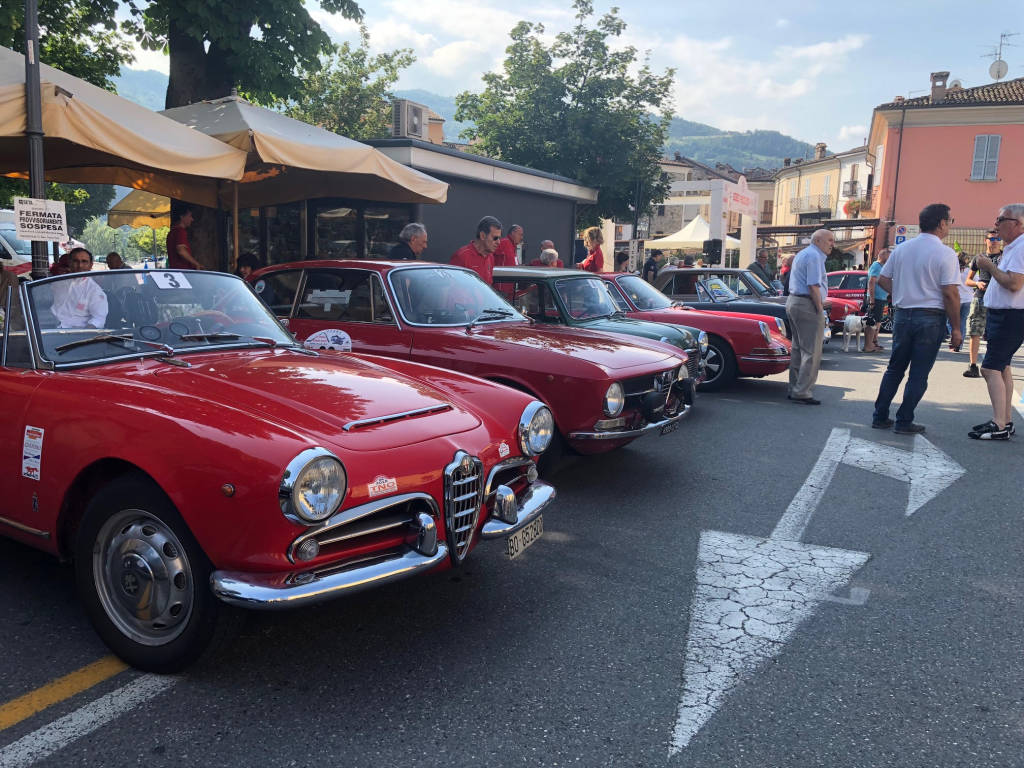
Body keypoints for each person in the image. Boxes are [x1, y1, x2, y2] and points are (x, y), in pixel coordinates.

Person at [871, 203, 961, 434]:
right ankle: (904, 420)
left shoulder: (902, 249)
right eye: (950, 221)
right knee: (918, 373)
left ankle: (880, 416)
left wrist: (900, 293)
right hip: (930, 317)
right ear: (941, 223)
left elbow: (882, 279)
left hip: (903, 314)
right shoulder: (945, 253)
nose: (950, 225)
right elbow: (950, 293)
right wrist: (957, 328)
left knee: (894, 369)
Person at [968, 204, 1024, 440]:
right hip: (1005, 315)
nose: (996, 223)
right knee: (1002, 368)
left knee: (990, 368)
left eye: (1002, 219)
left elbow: (1014, 283)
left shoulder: (1020, 248)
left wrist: (988, 266)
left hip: (1010, 316)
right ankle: (1006, 421)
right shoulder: (1014, 247)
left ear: (1019, 223)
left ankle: (999, 424)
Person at [785, 229, 834, 404]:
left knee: (799, 349)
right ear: (818, 241)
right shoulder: (814, 256)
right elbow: (813, 286)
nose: (832, 244)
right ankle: (802, 392)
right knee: (812, 351)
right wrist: (820, 309)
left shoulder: (804, 253)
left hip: (795, 302)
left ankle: (795, 388)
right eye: (829, 240)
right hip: (807, 304)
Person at [963, 229, 1003, 378]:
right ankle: (973, 366)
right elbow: (967, 280)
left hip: (999, 299)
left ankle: (997, 365)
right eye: (992, 239)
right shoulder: (978, 258)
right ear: (985, 240)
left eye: (998, 239)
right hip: (980, 298)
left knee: (997, 333)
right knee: (975, 331)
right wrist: (976, 283)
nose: (995, 241)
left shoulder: (1005, 257)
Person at [50, 247, 108, 328]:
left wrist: (84, 334)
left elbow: (98, 319)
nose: (80, 265)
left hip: (74, 334)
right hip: (49, 327)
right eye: (75, 261)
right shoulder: (57, 282)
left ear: (91, 265)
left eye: (84, 262)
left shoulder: (94, 290)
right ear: (70, 262)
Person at [451, 216, 502, 284]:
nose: (498, 242)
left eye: (499, 238)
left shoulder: (490, 257)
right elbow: (453, 287)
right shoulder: (462, 256)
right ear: (482, 236)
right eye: (495, 238)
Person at [863, 248, 889, 353]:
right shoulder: (876, 266)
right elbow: (871, 282)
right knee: (872, 322)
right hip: (876, 298)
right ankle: (869, 345)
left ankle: (873, 342)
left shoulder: (881, 267)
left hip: (880, 298)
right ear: (883, 256)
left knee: (877, 321)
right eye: (889, 256)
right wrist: (872, 300)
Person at [948, 250, 972, 342]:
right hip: (968, 299)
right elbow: (976, 282)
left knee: (950, 321)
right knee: (962, 322)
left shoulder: (952, 270)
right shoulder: (969, 271)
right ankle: (959, 343)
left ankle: (953, 339)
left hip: (955, 300)